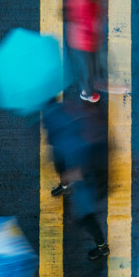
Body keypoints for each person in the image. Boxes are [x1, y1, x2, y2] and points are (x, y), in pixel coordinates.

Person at [42, 99, 110, 260]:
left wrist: (69, 175)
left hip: (86, 182)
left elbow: (84, 169)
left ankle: (102, 247)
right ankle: (65, 187)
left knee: (86, 217)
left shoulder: (89, 141)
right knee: (61, 170)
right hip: (66, 156)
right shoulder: (62, 112)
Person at [65, 0, 104, 104]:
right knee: (88, 69)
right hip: (85, 42)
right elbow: (92, 23)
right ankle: (87, 93)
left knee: (87, 66)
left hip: (76, 39)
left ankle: (88, 86)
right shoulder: (90, 1)